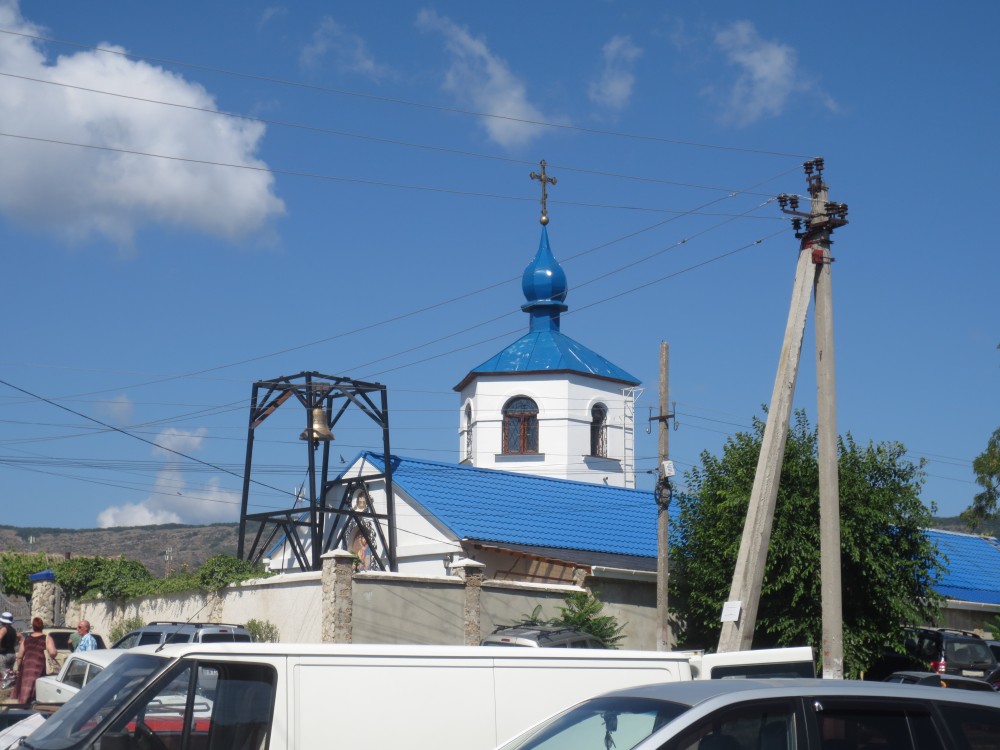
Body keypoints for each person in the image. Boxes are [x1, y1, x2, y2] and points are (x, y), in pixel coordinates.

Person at [13, 617, 56, 704]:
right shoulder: (47, 638)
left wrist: (19, 668)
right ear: (42, 627)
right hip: (40, 667)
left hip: (27, 668)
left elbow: (20, 656)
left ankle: (24, 706)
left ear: (33, 627)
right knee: (37, 688)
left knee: (26, 687)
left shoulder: (26, 639)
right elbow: (53, 653)